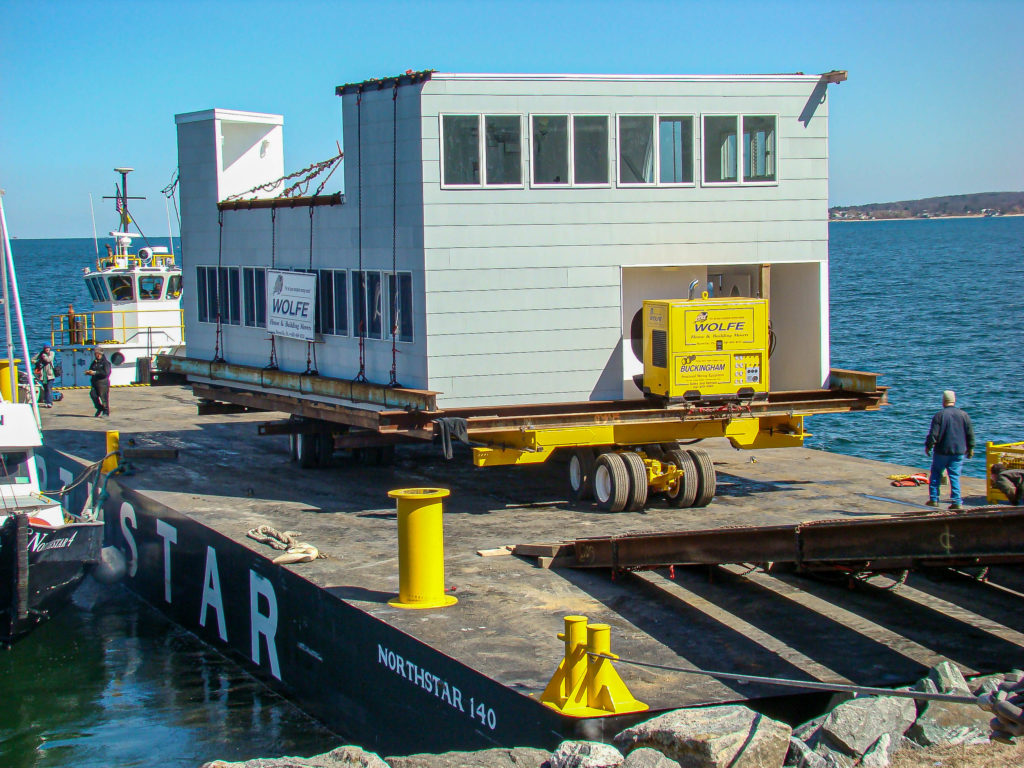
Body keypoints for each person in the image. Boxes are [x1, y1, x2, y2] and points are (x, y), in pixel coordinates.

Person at [925, 389, 974, 510]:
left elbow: (933, 435)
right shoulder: (964, 415)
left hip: (942, 451)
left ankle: (934, 499)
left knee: (936, 474)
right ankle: (957, 501)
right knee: (954, 476)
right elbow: (970, 433)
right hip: (958, 451)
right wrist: (971, 448)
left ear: (943, 401)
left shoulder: (939, 415)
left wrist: (928, 446)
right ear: (954, 400)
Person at [84, 347, 111, 417]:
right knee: (93, 395)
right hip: (95, 382)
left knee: (104, 398)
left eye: (99, 354)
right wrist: (89, 372)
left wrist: (95, 372)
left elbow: (106, 373)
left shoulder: (106, 363)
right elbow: (91, 369)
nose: (97, 355)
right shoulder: (94, 362)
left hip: (103, 383)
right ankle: (99, 408)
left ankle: (106, 411)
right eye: (96, 354)